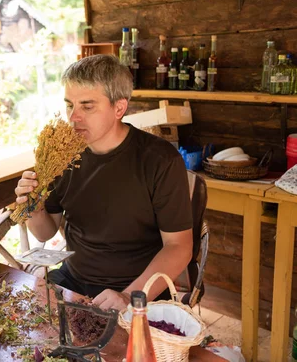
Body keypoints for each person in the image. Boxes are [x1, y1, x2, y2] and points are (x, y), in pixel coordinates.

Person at [14, 54, 193, 311]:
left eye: (87, 107)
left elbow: (179, 247)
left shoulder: (159, 160)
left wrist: (129, 296)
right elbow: (45, 232)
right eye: (69, 105)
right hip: (74, 280)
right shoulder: (62, 156)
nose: (74, 117)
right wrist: (33, 207)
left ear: (119, 108)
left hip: (138, 288)